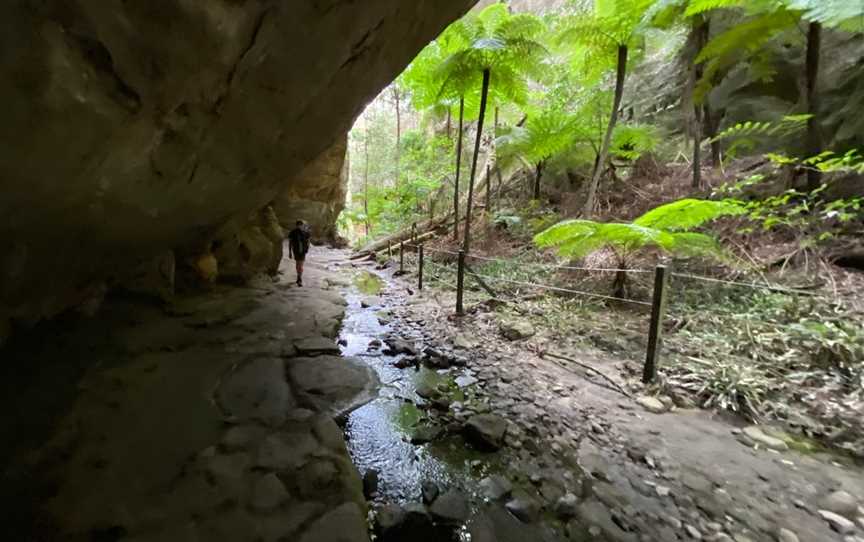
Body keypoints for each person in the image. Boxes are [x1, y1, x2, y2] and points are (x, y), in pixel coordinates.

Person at [287, 220, 311, 286]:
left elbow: (308, 241)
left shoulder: (305, 233)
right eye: (299, 225)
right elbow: (290, 243)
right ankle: (298, 276)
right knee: (298, 264)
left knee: (300, 265)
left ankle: (299, 278)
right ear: (296, 225)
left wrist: (307, 249)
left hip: (302, 251)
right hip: (296, 251)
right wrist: (290, 252)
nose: (300, 226)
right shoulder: (293, 232)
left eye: (301, 225)